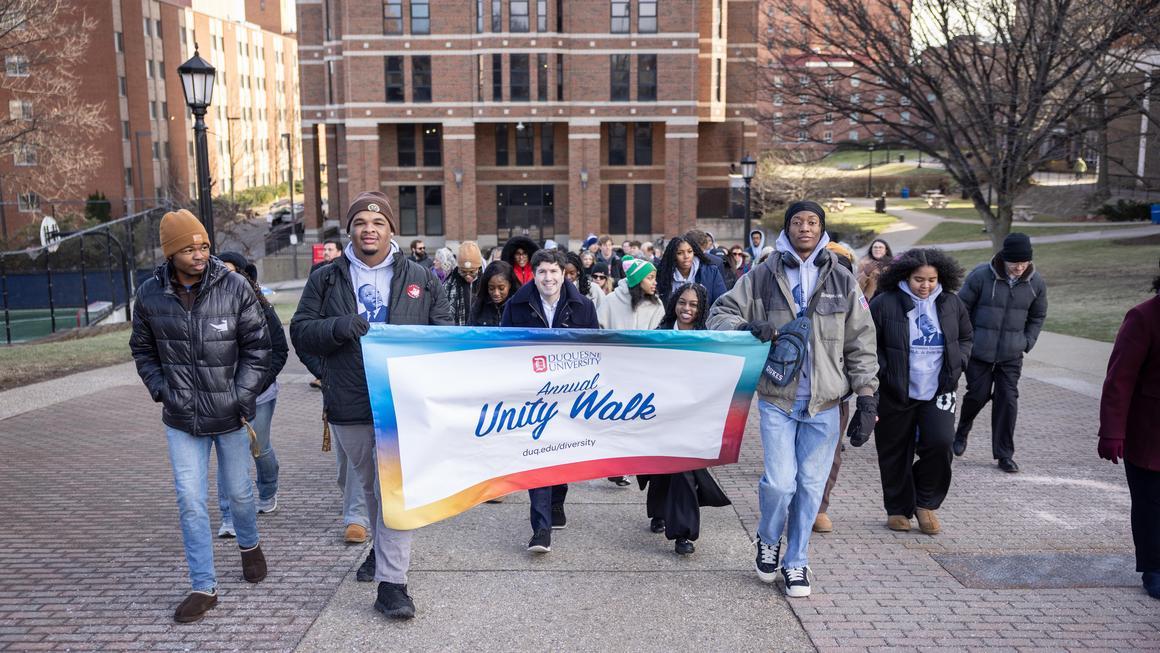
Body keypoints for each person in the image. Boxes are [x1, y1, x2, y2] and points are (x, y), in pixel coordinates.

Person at [290, 191, 453, 620]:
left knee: (395, 491)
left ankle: (393, 585)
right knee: (371, 490)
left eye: (378, 223)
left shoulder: (420, 275)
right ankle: (383, 552)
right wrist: (337, 335)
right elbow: (302, 331)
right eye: (361, 222)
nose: (369, 229)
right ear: (350, 229)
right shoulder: (326, 278)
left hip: (403, 403)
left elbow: (445, 334)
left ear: (391, 230)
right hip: (350, 402)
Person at [707, 200, 878, 598]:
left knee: (811, 486)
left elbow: (861, 342)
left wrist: (867, 398)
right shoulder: (763, 274)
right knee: (781, 484)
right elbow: (720, 312)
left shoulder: (842, 279)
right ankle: (768, 539)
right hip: (778, 398)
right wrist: (750, 326)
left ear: (822, 229)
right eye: (797, 221)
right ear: (787, 228)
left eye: (812, 222)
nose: (805, 227)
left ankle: (797, 561)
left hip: (827, 402)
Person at [129, 209, 271, 623]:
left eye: (204, 246)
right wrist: (162, 389)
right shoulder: (150, 294)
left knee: (240, 493)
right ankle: (203, 586)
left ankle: (249, 544)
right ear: (171, 252)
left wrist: (241, 396)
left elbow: (258, 348)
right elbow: (143, 350)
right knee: (191, 501)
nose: (199, 254)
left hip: (229, 415)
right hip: (181, 420)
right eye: (189, 248)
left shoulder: (235, 286)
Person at [499, 249, 600, 553]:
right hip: (533, 393)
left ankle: (557, 499)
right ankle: (540, 529)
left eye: (554, 271)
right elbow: (503, 346)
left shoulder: (583, 306)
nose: (548, 278)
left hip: (571, 392)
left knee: (563, 451)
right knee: (538, 454)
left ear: (564, 273)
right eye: (541, 272)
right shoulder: (517, 306)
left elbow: (594, 347)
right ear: (533, 274)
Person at [869, 248, 972, 535]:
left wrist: (958, 362)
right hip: (895, 390)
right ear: (905, 276)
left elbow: (966, 337)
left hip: (939, 389)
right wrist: (885, 370)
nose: (925, 286)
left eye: (931, 279)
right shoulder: (885, 303)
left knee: (940, 443)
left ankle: (925, 503)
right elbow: (869, 342)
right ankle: (898, 509)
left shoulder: (951, 303)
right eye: (918, 279)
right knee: (894, 451)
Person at [639, 282, 732, 555]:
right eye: (682, 302)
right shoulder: (660, 335)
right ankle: (658, 511)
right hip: (661, 412)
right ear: (673, 304)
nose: (687, 309)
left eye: (693, 304)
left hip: (694, 416)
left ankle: (683, 533)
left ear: (701, 308)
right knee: (659, 467)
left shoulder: (710, 339)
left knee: (683, 470)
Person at [953, 232, 1047, 473]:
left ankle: (1004, 455)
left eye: (1024, 263)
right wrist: (967, 340)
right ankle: (963, 429)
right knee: (977, 395)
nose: (1019, 268)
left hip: (1011, 355)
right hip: (979, 352)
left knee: (1008, 400)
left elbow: (1037, 316)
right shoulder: (981, 275)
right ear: (1004, 258)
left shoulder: (1036, 283)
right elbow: (960, 308)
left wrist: (1026, 341)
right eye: (1015, 263)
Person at [1098, 262, 1160, 600]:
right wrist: (1112, 432)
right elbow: (1119, 381)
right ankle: (1154, 567)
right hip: (1150, 433)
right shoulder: (1144, 317)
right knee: (1151, 503)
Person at [214, 252, 287, 537]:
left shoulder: (262, 308)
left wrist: (256, 383)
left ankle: (268, 492)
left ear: (245, 276)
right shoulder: (209, 306)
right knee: (231, 453)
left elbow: (279, 351)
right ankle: (229, 517)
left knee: (259, 448)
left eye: (231, 271)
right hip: (223, 396)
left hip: (261, 394)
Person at [814, 241, 857, 534]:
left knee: (831, 454)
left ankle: (819, 507)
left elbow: (863, 346)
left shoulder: (853, 297)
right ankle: (795, 499)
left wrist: (868, 395)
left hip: (836, 392)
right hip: (796, 389)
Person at [655, 233, 728, 307]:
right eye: (680, 253)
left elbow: (721, 302)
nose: (686, 256)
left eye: (689, 251)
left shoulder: (711, 271)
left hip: (707, 318)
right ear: (673, 256)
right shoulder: (664, 274)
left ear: (694, 252)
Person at [442, 241, 484, 326]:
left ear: (479, 268)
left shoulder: (485, 283)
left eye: (472, 272)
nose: (468, 276)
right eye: (463, 272)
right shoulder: (449, 285)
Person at [469, 261, 521, 327]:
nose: (496, 293)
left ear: (510, 285)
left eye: (501, 288)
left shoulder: (520, 306)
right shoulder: (478, 305)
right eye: (491, 288)